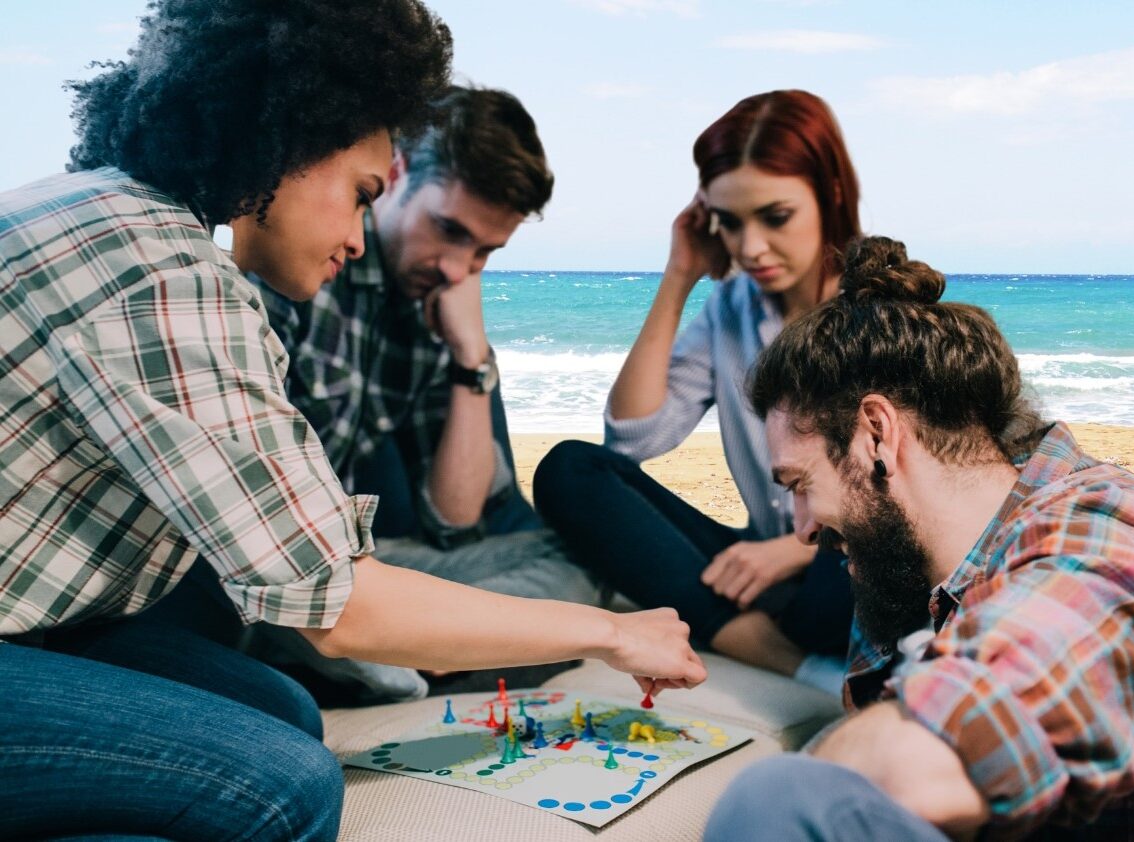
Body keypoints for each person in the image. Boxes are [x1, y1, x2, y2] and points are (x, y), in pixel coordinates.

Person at [0, 3, 702, 840]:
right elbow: (336, 608)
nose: (360, 237)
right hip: (60, 625)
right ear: (287, 141)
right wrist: (614, 633)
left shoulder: (121, 214)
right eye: (363, 194)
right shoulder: (167, 276)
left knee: (284, 713)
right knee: (287, 787)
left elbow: (440, 521)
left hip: (42, 620)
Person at [705, 237, 1134, 839]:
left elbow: (936, 756)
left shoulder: (1113, 529)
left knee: (778, 797)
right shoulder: (904, 577)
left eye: (800, 483)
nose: (802, 528)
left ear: (876, 434)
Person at [247, 85, 600, 702]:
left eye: (485, 253)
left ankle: (418, 653)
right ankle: (415, 661)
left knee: (582, 561)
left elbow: (455, 520)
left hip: (368, 564)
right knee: (372, 651)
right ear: (396, 172)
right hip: (280, 569)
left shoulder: (439, 305)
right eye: (449, 230)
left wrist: (471, 360)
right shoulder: (304, 263)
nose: (458, 269)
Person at [534, 90, 858, 691]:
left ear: (830, 192)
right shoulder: (732, 307)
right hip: (761, 569)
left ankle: (759, 637)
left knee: (840, 576)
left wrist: (796, 551)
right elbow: (632, 437)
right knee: (569, 470)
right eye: (731, 223)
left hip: (843, 571)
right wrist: (680, 275)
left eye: (775, 216)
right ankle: (780, 656)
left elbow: (914, 497)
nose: (750, 247)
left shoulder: (880, 303)